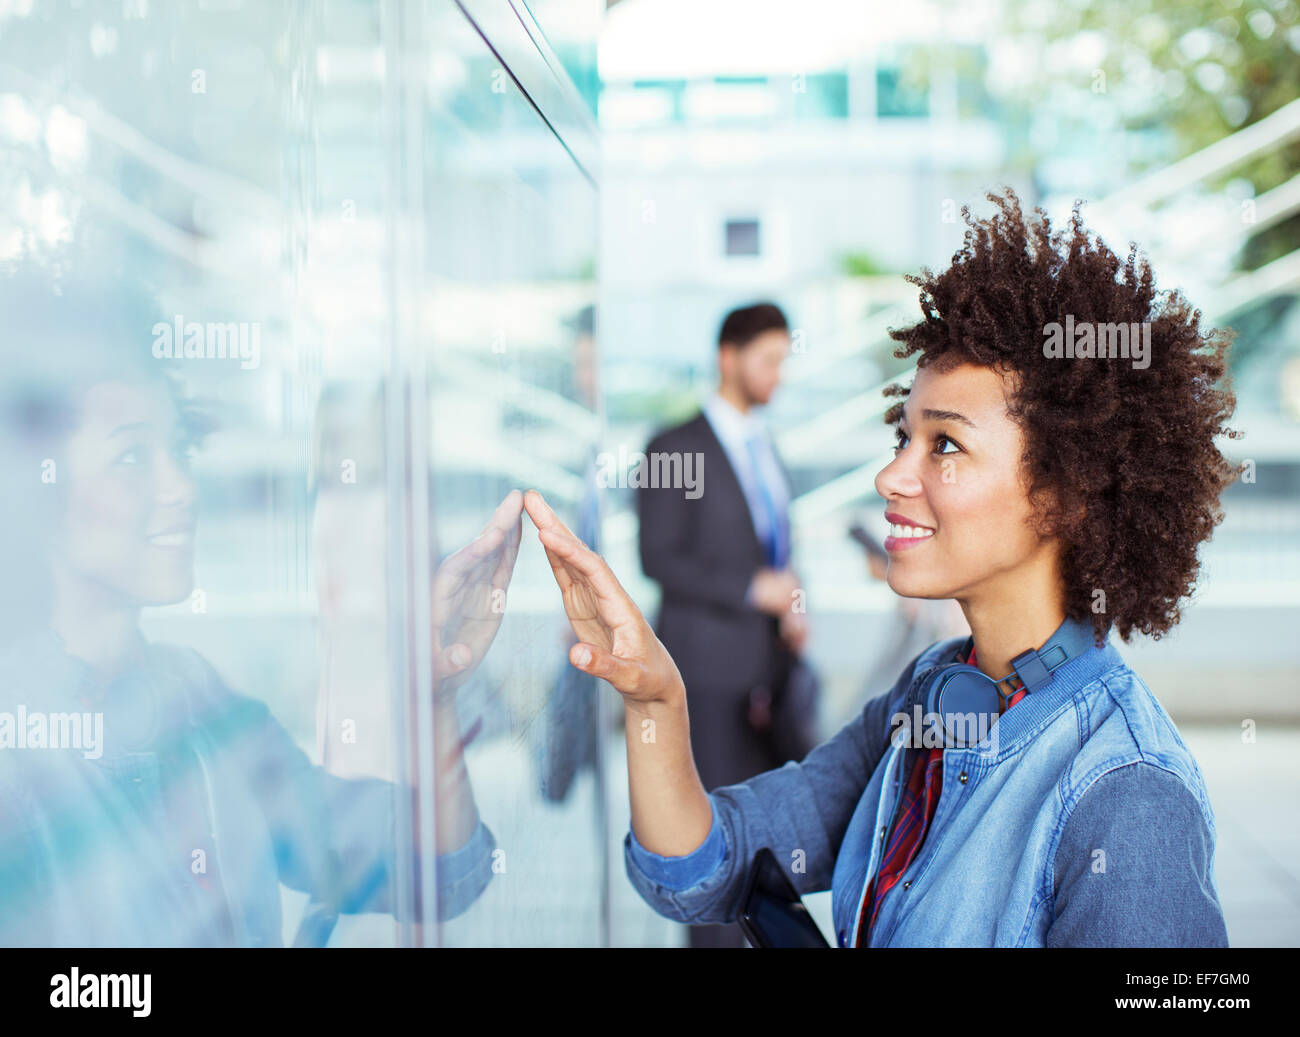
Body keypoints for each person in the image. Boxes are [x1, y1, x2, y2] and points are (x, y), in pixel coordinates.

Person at [522, 188, 1236, 947]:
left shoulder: (1129, 791)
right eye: (904, 436)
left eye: (946, 445)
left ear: (1065, 495)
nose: (891, 476)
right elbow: (702, 865)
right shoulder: (927, 698)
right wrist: (655, 699)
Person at [0, 270, 509, 946]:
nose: (180, 487)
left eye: (179, 449)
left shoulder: (195, 698)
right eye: (131, 456)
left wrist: (436, 693)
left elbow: (443, 868)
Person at [636, 302, 810, 947]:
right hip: (703, 674)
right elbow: (658, 558)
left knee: (760, 834)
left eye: (783, 362)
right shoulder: (670, 447)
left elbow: (778, 550)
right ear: (727, 358)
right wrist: (751, 590)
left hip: (768, 671)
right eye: (768, 361)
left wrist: (791, 605)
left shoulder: (766, 448)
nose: (777, 376)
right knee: (708, 840)